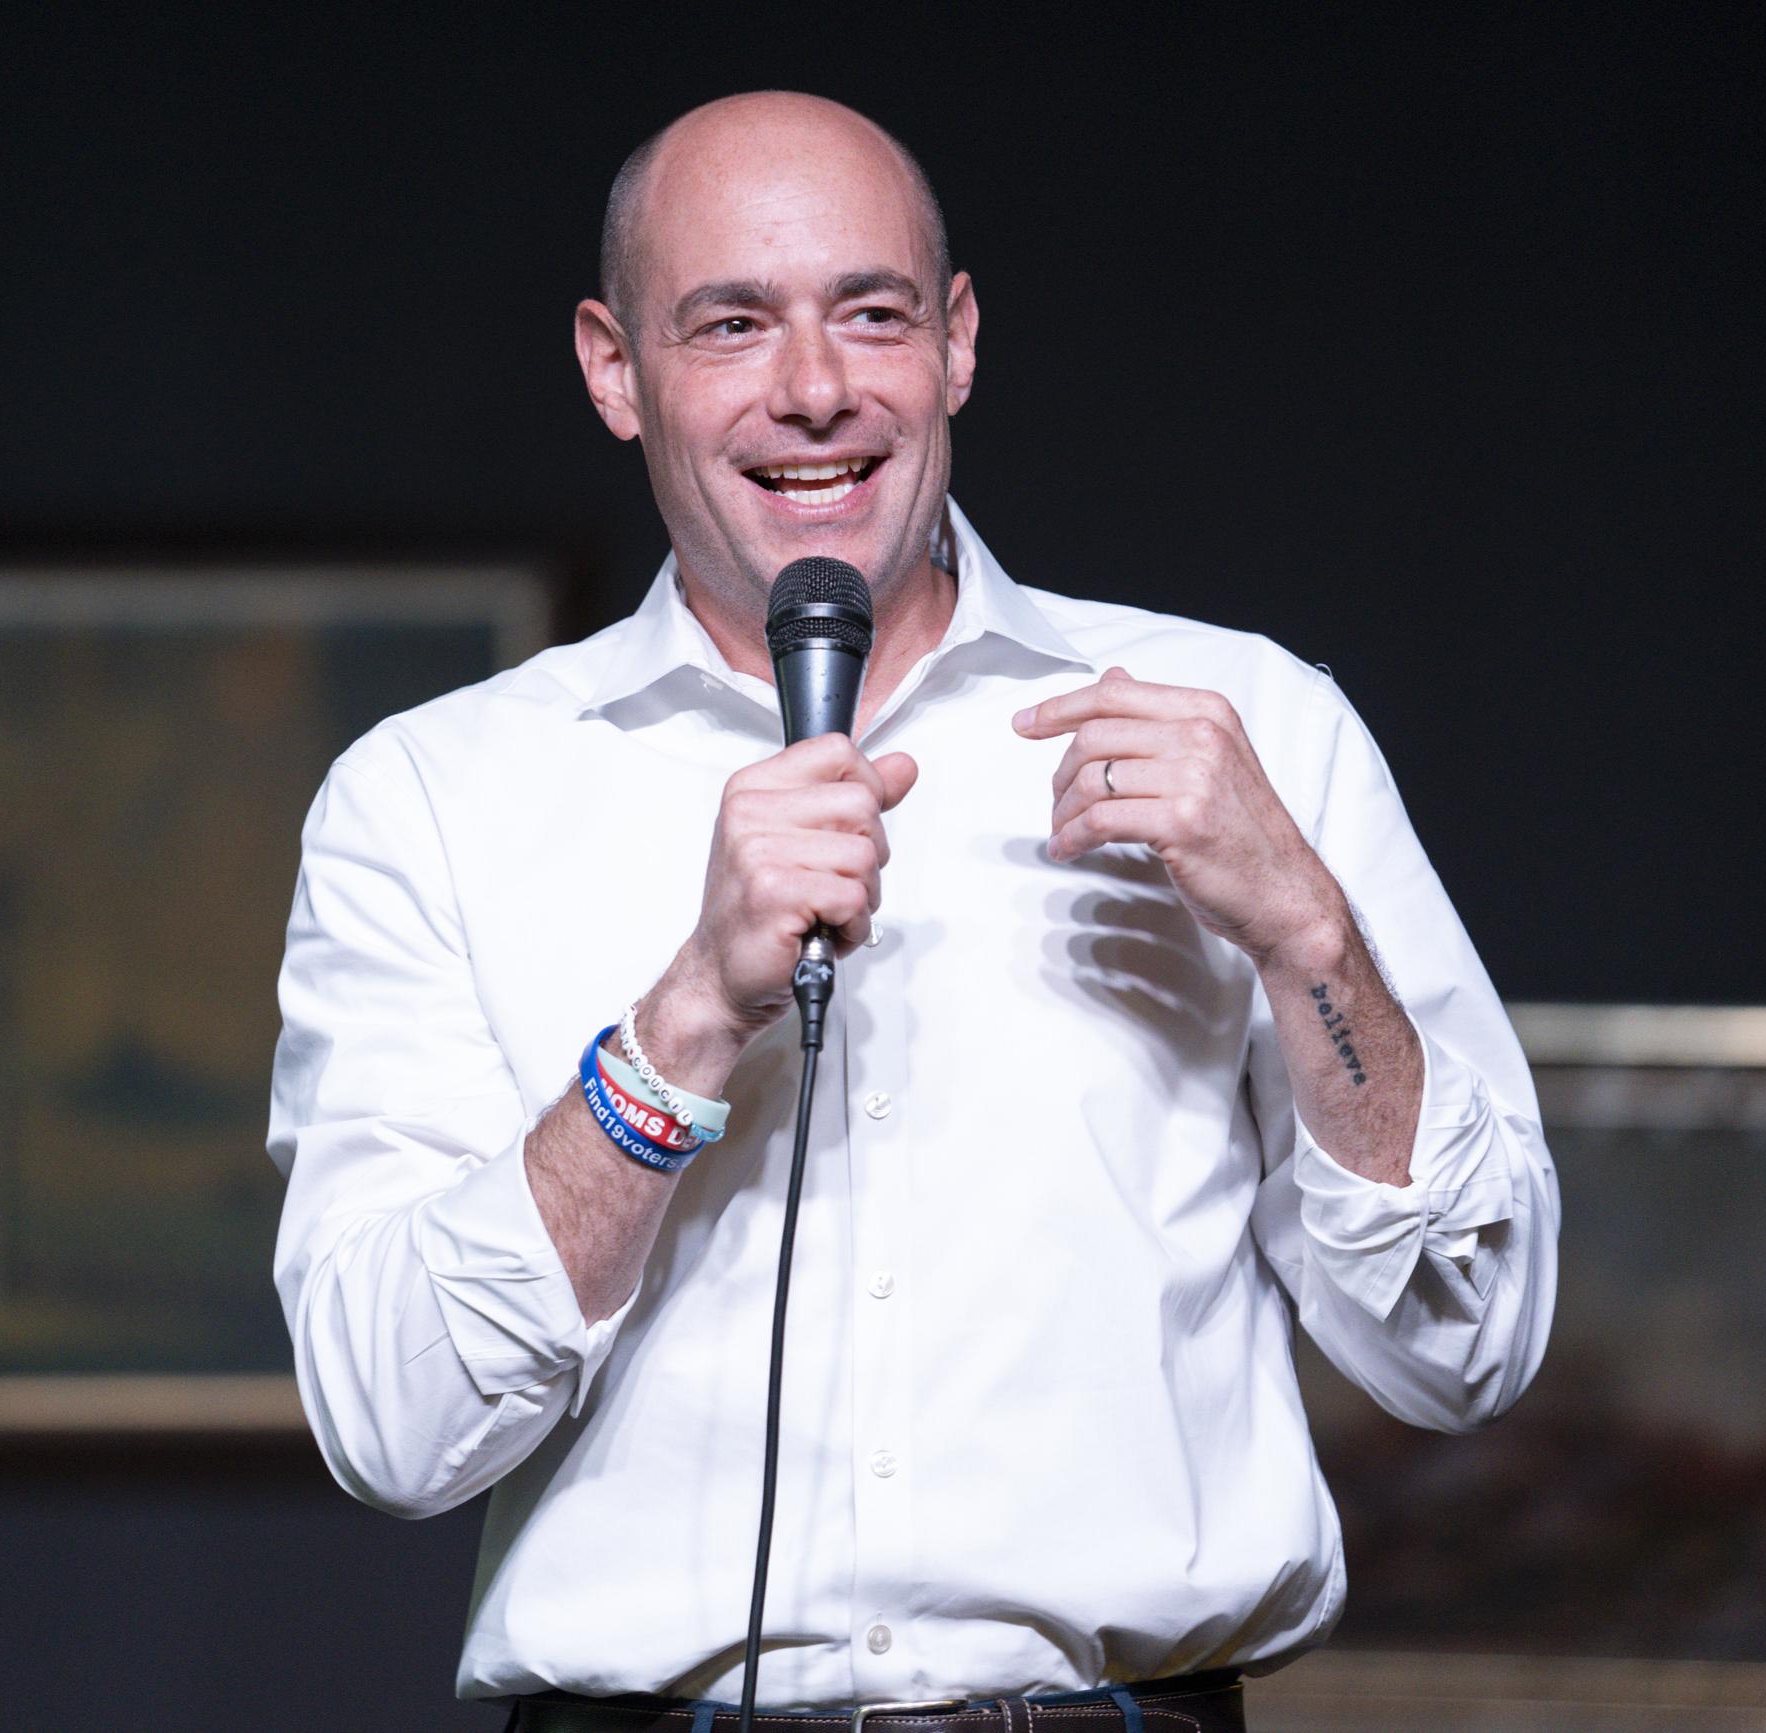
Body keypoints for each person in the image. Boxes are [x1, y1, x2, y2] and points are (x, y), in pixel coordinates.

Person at [267, 91, 1559, 1732]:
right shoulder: (432, 798)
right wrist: (677, 1034)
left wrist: (1309, 932)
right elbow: (392, 1423)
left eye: (870, 313)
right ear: (614, 369)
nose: (815, 389)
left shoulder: (1252, 728)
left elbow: (1469, 1344)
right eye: (731, 324)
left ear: (955, 343)